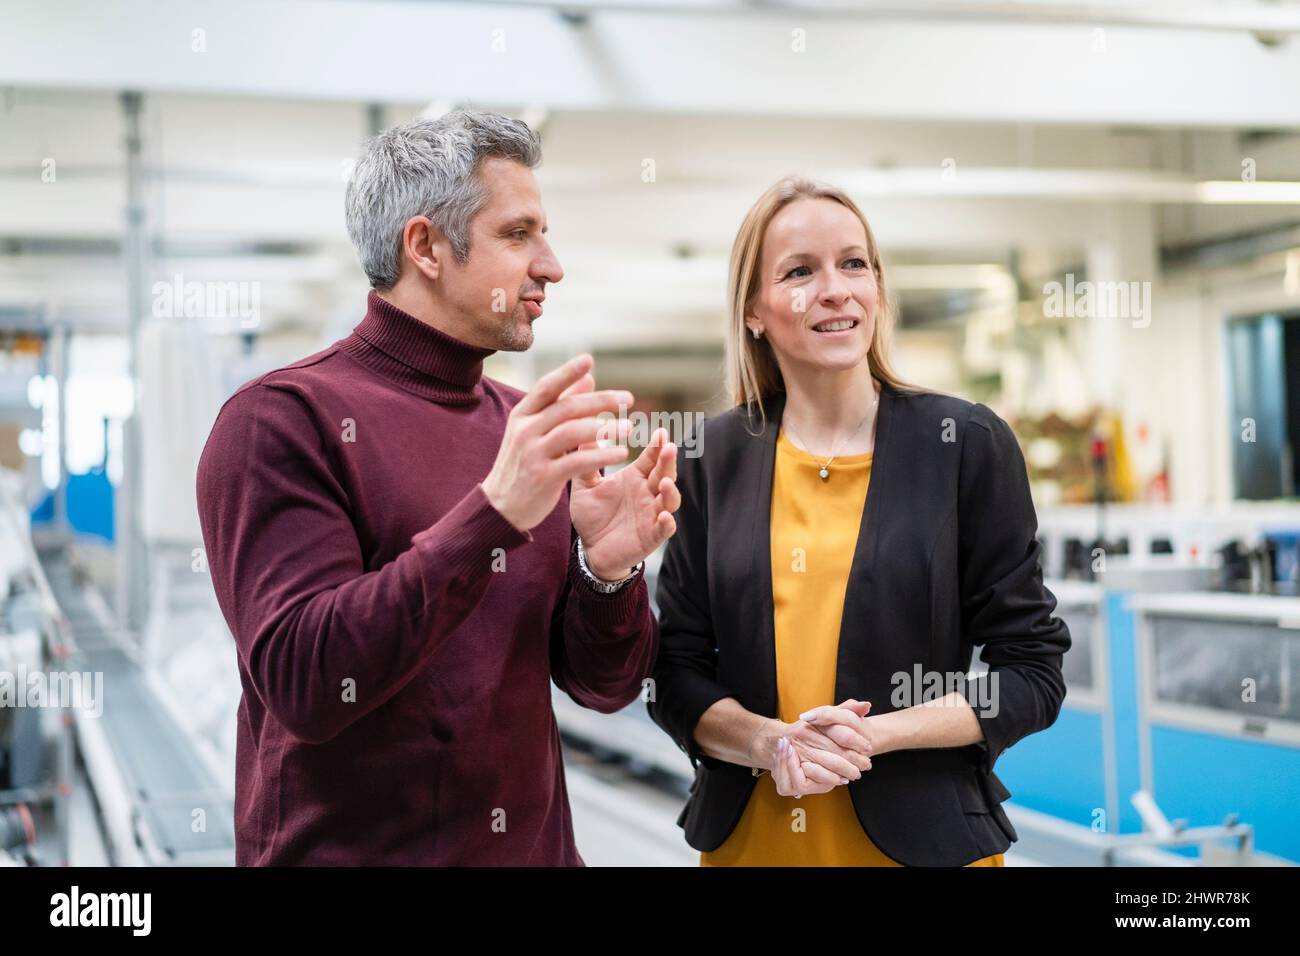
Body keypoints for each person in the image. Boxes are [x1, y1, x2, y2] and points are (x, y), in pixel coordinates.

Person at [196, 110, 680, 865]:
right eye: (518, 235)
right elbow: (307, 684)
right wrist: (491, 517)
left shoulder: (523, 426)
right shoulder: (282, 421)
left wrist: (606, 573)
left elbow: (603, 687)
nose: (550, 265)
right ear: (424, 246)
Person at [647, 175, 1071, 866]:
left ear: (877, 286)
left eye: (854, 263)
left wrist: (875, 737)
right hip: (757, 844)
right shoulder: (709, 458)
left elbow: (1031, 670)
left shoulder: (964, 443)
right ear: (754, 310)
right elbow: (674, 672)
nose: (836, 288)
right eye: (799, 272)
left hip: (927, 845)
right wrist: (768, 743)